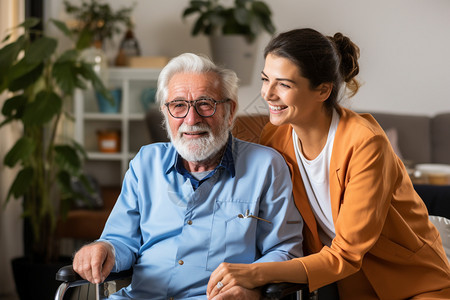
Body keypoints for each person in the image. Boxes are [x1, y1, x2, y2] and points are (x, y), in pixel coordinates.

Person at [207, 28, 450, 300]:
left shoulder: (365, 143)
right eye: (266, 80)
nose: (268, 94)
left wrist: (257, 273)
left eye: (284, 84)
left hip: (414, 284)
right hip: (348, 287)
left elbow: (346, 252)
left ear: (322, 90)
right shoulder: (274, 138)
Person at [72, 53, 304, 299]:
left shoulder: (266, 166)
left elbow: (284, 250)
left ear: (230, 110)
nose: (191, 119)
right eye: (178, 105)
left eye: (205, 103)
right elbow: (121, 241)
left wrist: (252, 290)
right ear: (165, 113)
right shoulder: (145, 163)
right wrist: (102, 249)